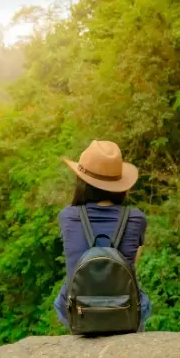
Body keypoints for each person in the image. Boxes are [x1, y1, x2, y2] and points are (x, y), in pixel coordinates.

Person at [54, 140, 151, 332]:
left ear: (81, 182)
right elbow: (132, 260)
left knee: (61, 301)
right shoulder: (136, 218)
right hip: (125, 308)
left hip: (78, 308)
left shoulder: (67, 217)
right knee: (144, 302)